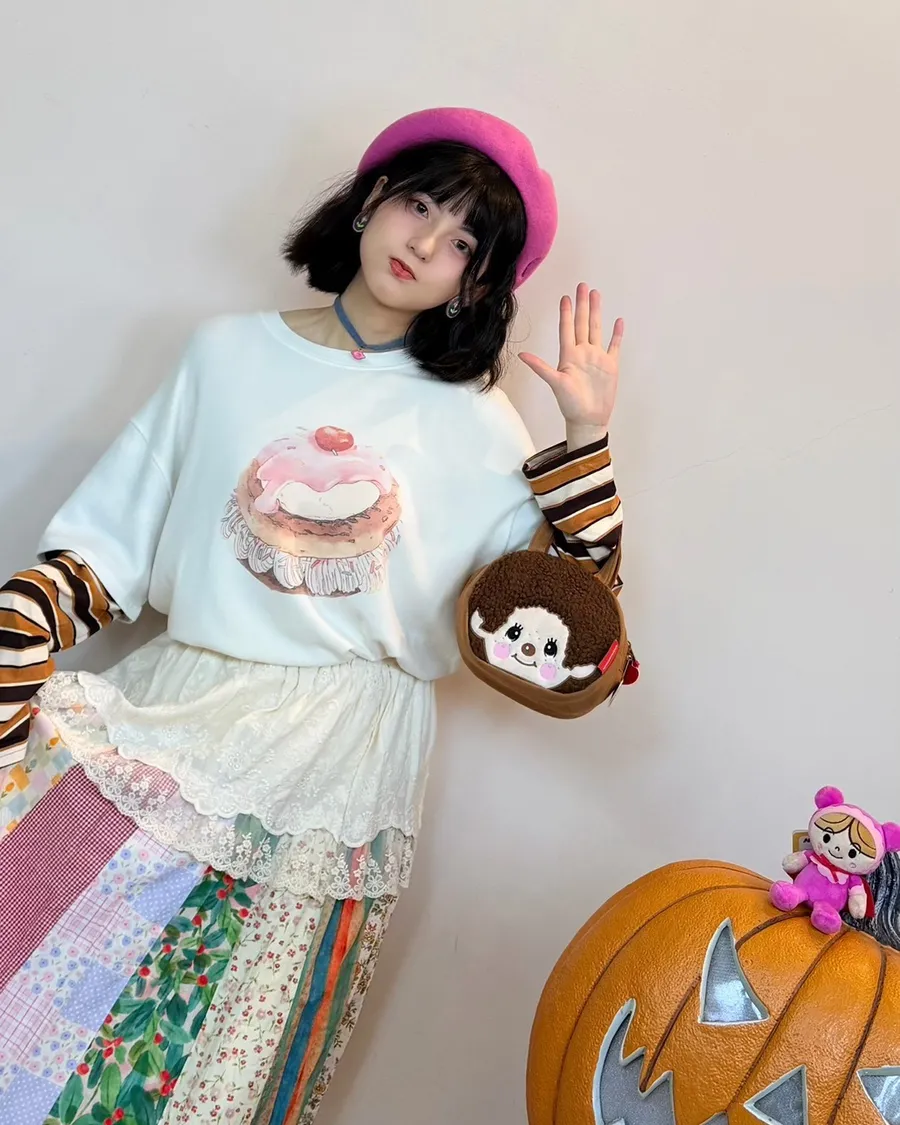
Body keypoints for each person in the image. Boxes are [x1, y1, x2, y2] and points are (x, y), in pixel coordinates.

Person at [0, 107, 626, 1124]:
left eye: (463, 242)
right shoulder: (226, 355)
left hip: (337, 763)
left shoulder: (479, 425)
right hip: (183, 706)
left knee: (205, 1055)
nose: (425, 241)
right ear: (371, 201)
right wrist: (15, 644)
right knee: (33, 967)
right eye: (418, 204)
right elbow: (108, 547)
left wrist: (586, 441)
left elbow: (565, 640)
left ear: (477, 283)